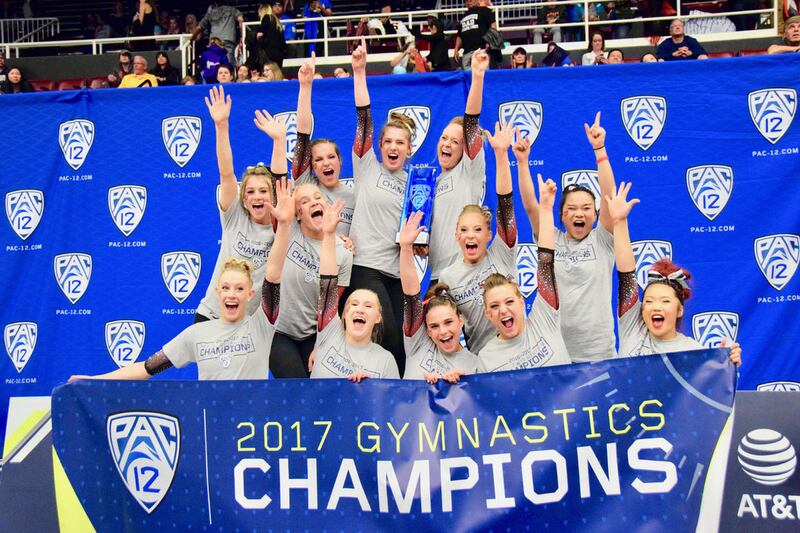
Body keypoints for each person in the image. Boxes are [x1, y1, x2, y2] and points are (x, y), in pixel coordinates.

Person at [68, 181, 295, 382]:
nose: (231, 294)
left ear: (250, 294)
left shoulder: (262, 325)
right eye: (225, 288)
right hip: (212, 425)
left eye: (239, 288)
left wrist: (284, 225)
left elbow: (273, 271)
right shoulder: (195, 334)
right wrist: (94, 379)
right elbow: (148, 368)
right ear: (217, 292)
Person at [518, 113, 618, 361]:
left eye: (586, 208)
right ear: (561, 216)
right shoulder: (553, 240)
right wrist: (522, 162)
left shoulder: (603, 240)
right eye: (571, 209)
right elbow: (531, 207)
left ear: (595, 215)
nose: (579, 213)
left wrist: (600, 150)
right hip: (556, 352)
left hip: (599, 354)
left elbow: (610, 196)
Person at [608, 182, 741, 365]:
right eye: (648, 301)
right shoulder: (632, 327)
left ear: (680, 310)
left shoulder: (694, 352)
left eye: (665, 301)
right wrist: (619, 222)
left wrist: (728, 361)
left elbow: (713, 387)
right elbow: (626, 274)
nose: (655, 306)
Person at [345, 39, 417, 375]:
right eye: (387, 141)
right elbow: (364, 119)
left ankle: (401, 401)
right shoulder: (366, 164)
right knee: (386, 333)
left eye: (399, 143)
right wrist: (359, 71)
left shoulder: (416, 183)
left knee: (403, 341)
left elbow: (420, 232)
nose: (392, 146)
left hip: (398, 272)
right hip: (365, 265)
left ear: (409, 150)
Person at [194, 86, 284, 323]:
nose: (257, 197)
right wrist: (221, 125)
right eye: (251, 192)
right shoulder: (234, 216)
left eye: (264, 191)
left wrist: (279, 141)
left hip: (250, 323)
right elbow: (226, 172)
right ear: (243, 199)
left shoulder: (281, 227)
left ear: (273, 196)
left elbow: (281, 180)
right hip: (212, 315)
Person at [438, 121, 518, 355]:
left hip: (522, 349)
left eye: (477, 229)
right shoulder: (447, 277)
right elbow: (443, 330)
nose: (470, 235)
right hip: (484, 362)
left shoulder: (503, 251)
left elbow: (506, 204)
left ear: (489, 234)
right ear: (456, 236)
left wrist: (502, 156)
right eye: (464, 230)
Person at [477, 174, 571, 372]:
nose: (503, 310)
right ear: (488, 314)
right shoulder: (486, 359)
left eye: (509, 302)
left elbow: (546, 262)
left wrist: (545, 209)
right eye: (494, 306)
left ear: (522, 302)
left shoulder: (544, 317)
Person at [310, 198, 400, 381]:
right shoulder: (329, 332)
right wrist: (328, 235)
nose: (359, 308)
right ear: (343, 313)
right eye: (354, 304)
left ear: (378, 318)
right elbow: (328, 284)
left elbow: (392, 406)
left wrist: (367, 390)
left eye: (368, 306)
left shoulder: (386, 360)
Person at [270, 186, 353, 378]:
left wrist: (320, 346)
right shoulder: (288, 232)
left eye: (318, 198)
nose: (314, 202)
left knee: (316, 389)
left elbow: (330, 307)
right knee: (296, 388)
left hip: (313, 334)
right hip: (278, 332)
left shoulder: (343, 253)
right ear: (298, 214)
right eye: (305, 201)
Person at [428, 49, 489, 286]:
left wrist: (477, 77)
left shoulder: (469, 171)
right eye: (444, 138)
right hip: (437, 277)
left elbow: (472, 123)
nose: (446, 144)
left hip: (467, 275)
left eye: (455, 142)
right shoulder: (430, 182)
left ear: (466, 151)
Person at [399, 212, 478, 383]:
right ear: (426, 330)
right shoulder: (418, 343)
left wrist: (452, 388)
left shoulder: (475, 364)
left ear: (460, 320)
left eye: (448, 322)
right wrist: (406, 248)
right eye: (434, 326)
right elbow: (411, 295)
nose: (443, 332)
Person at [293, 54, 355, 237]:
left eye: (330, 157)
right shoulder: (305, 185)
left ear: (340, 161)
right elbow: (303, 135)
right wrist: (305, 87)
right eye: (319, 159)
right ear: (312, 166)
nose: (326, 163)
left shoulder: (354, 196)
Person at [453, 0, 496, 70]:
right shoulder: (463, 16)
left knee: (482, 77)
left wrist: (490, 41)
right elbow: (460, 34)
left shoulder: (485, 10)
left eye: (471, 0)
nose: (468, 1)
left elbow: (493, 26)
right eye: (466, 1)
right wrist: (456, 49)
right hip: (467, 53)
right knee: (468, 79)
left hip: (481, 50)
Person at [257, 2, 288, 68]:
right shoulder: (277, 21)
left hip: (269, 53)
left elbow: (260, 34)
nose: (259, 15)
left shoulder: (266, 17)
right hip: (279, 53)